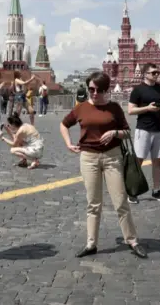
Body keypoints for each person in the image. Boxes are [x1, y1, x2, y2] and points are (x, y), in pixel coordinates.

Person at [60, 71, 147, 259]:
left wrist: (115, 133)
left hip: (112, 157)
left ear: (107, 90)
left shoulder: (114, 108)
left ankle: (132, 240)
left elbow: (127, 132)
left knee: (120, 201)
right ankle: (91, 243)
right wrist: (68, 143)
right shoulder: (81, 108)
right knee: (93, 203)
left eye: (99, 90)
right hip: (88, 158)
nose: (95, 93)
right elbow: (64, 124)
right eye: (91, 89)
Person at [127, 63, 160, 204]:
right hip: (143, 129)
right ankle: (133, 191)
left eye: (157, 72)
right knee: (139, 161)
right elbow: (130, 110)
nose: (156, 75)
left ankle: (156, 191)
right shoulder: (138, 90)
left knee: (157, 161)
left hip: (158, 129)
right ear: (145, 74)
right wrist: (147, 108)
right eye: (153, 73)